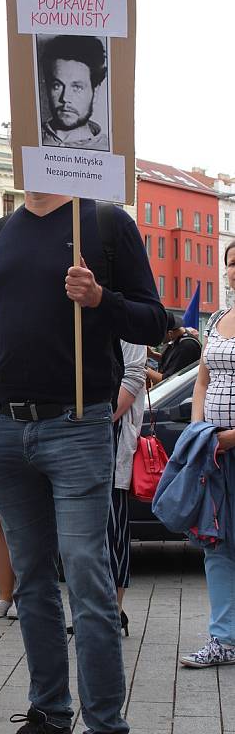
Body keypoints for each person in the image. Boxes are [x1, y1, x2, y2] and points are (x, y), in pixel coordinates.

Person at [0, 193, 166, 734]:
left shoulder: (104, 223)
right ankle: (49, 711)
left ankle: (103, 723)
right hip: (4, 431)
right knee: (31, 582)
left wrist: (100, 299)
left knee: (86, 577)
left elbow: (154, 321)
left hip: (77, 427)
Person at [180, 240, 235, 668]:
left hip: (227, 445)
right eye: (231, 264)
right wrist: (200, 428)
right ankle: (223, 639)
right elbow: (202, 380)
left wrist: (228, 437)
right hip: (214, 449)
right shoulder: (217, 318)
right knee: (214, 543)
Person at [107, 340, 147, 635]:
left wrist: (99, 419)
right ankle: (98, 608)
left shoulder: (127, 320)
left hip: (111, 431)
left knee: (113, 525)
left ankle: (114, 608)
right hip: (83, 429)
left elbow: (133, 376)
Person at [40, 35, 109, 150]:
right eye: (57, 86)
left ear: (95, 92)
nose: (65, 98)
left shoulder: (108, 149)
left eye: (77, 87)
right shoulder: (29, 135)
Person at [147, 312, 202, 386]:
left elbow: (167, 380)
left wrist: (142, 368)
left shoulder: (187, 346)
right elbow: (171, 362)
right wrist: (152, 355)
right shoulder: (177, 339)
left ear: (170, 333)